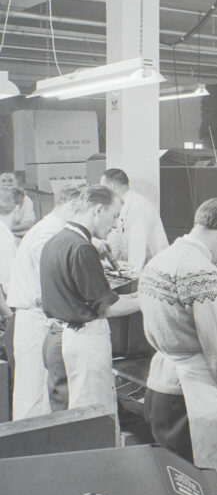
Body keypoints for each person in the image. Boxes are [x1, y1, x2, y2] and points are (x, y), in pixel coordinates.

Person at [138, 198, 217, 490]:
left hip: (160, 387)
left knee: (172, 486)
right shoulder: (200, 271)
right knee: (202, 489)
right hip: (190, 398)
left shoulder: (159, 260)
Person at [40, 185, 141, 414]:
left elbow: (78, 295)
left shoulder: (57, 240)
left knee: (63, 417)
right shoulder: (82, 247)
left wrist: (134, 295)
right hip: (80, 343)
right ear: (98, 210)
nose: (115, 224)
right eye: (114, 216)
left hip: (57, 338)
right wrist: (149, 300)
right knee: (90, 419)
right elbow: (109, 308)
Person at [7, 184, 85, 419]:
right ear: (72, 206)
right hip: (34, 321)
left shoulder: (49, 228)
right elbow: (54, 282)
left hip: (35, 319)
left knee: (37, 394)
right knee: (34, 395)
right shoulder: (49, 233)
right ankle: (26, 452)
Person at [99, 168, 169, 272]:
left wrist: (130, 276)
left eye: (102, 188)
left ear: (111, 187)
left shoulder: (139, 206)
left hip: (149, 269)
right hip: (135, 267)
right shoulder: (123, 204)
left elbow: (138, 249)